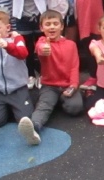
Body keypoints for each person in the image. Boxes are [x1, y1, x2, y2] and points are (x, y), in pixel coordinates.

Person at [17, 10, 84, 146]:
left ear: (62, 26)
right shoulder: (42, 42)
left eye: (55, 24)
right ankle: (34, 128)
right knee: (43, 106)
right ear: (41, 28)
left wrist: (73, 86)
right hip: (50, 85)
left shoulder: (71, 45)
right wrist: (44, 49)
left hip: (67, 85)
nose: (52, 27)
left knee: (75, 108)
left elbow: (74, 67)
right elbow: (40, 49)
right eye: (48, 24)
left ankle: (59, 101)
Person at [7, 0, 47, 89]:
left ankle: (42, 74)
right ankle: (30, 74)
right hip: (22, 17)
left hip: (39, 15)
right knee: (27, 48)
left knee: (41, 46)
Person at [0, 11, 34, 131]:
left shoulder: (17, 39)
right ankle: (6, 108)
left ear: (8, 28)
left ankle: (17, 106)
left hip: (17, 88)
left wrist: (7, 46)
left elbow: (23, 53)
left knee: (25, 119)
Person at [73, 0, 104, 92]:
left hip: (97, 21)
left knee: (100, 49)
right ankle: (93, 76)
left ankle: (102, 76)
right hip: (83, 21)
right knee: (88, 50)